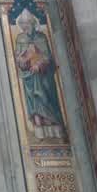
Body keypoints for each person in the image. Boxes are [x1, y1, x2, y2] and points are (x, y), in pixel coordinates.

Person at [14, 9, 66, 140]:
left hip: (44, 75)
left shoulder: (41, 37)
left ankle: (53, 126)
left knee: (46, 98)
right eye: (23, 24)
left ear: (32, 23)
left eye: (27, 23)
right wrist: (22, 60)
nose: (25, 26)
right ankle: (38, 126)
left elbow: (47, 56)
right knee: (34, 100)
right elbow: (18, 58)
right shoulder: (20, 38)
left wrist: (39, 64)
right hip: (29, 76)